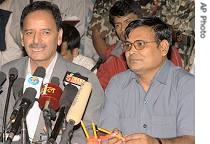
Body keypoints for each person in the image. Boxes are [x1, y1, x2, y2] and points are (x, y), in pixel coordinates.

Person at [0, 1, 104, 143]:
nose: (36, 40)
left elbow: (90, 132)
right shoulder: (6, 74)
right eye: (29, 32)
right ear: (22, 38)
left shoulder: (85, 80)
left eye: (45, 32)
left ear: (59, 36)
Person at [99, 16, 195, 144]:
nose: (131, 51)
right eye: (128, 45)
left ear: (163, 47)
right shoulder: (117, 84)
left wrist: (157, 143)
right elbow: (105, 134)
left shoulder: (187, 85)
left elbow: (193, 139)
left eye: (140, 44)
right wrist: (111, 139)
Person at [94, 0, 142, 90]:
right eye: (117, 25)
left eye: (128, 22)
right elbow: (99, 90)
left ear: (141, 21)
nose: (123, 29)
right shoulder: (112, 58)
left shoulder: (160, 49)